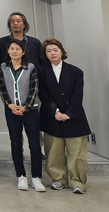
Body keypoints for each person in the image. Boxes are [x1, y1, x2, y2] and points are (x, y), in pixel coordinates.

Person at [38, 38, 91, 194]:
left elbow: (77, 95)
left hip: (73, 116)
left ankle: (78, 181)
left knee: (77, 151)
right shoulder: (41, 71)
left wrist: (68, 113)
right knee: (54, 151)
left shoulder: (76, 71)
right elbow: (43, 94)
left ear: (62, 51)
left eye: (55, 50)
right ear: (45, 54)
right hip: (52, 116)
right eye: (48, 51)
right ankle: (58, 179)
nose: (52, 53)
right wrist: (56, 112)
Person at [0, 39, 46, 192]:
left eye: (18, 49)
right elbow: (2, 88)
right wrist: (9, 104)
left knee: (34, 143)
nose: (15, 51)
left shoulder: (31, 67)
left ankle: (36, 178)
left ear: (23, 52)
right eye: (12, 48)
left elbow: (34, 89)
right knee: (16, 142)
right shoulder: (3, 67)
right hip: (11, 110)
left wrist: (25, 107)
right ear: (8, 51)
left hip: (30, 110)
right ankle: (21, 176)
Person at [0, 12, 42, 78]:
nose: (15, 23)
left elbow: (42, 63)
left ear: (24, 24)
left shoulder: (35, 42)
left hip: (33, 79)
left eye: (18, 21)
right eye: (12, 21)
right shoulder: (2, 42)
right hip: (9, 80)